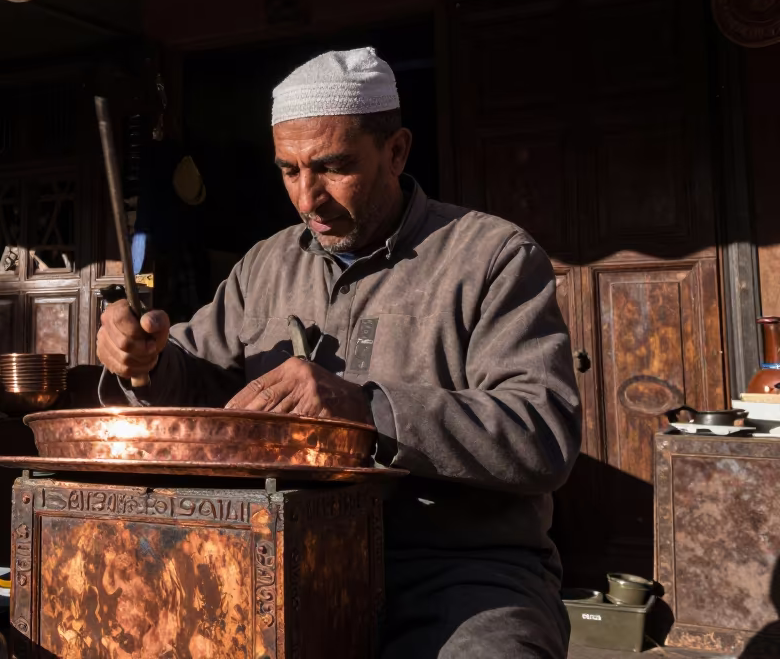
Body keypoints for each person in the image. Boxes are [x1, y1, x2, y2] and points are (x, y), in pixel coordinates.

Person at [97, 47, 581, 658]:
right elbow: (190, 374)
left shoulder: (490, 257)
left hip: (457, 573)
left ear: (396, 151)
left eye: (333, 168)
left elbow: (543, 434)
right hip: (281, 560)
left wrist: (365, 409)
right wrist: (143, 358)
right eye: (289, 171)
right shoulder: (266, 265)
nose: (307, 199)